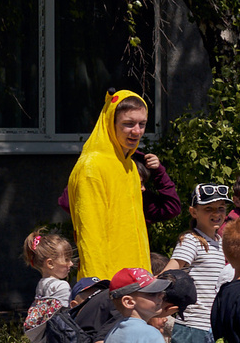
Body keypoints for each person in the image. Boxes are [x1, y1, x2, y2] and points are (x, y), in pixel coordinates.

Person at [63, 90, 181, 281]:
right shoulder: (92, 166)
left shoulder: (130, 166)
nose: (137, 131)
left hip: (134, 280)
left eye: (142, 124)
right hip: (108, 284)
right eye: (128, 124)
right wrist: (97, 285)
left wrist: (144, 277)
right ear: (110, 124)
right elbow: (90, 234)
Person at [167, 184, 234, 335]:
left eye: (221, 208)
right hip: (194, 325)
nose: (216, 213)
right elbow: (168, 274)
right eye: (208, 208)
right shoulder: (192, 240)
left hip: (212, 325)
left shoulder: (220, 241)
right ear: (193, 212)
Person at [22, 232, 76, 343]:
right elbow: (68, 316)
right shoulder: (62, 286)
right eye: (66, 259)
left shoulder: (41, 284)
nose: (71, 264)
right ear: (50, 263)